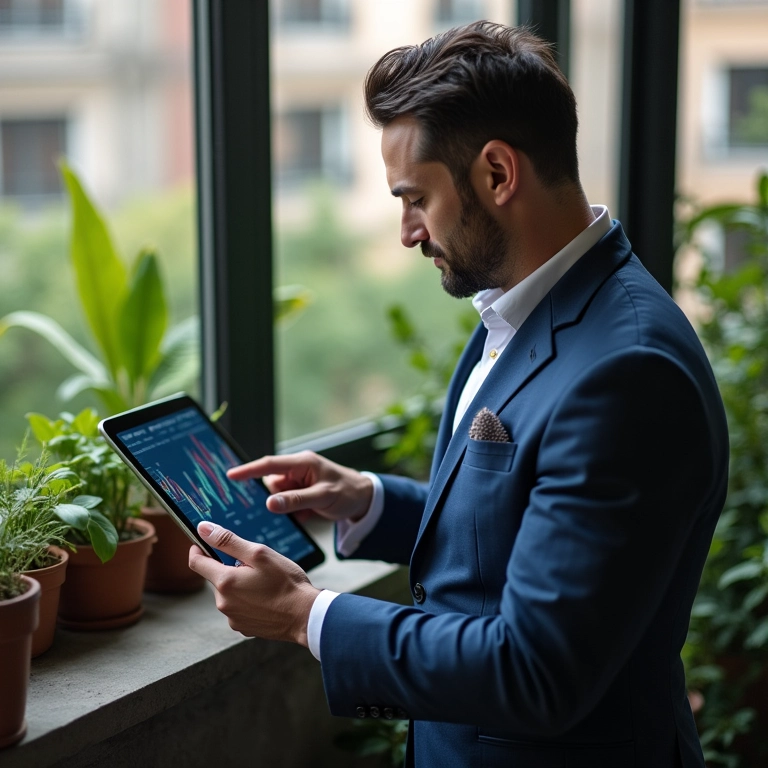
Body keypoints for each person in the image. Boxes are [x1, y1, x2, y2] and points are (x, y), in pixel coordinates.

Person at [189, 21, 728, 768]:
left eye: (415, 198)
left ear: (498, 174)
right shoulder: (525, 303)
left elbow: (535, 669)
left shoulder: (629, 372)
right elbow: (521, 538)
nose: (407, 231)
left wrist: (305, 617)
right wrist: (369, 499)